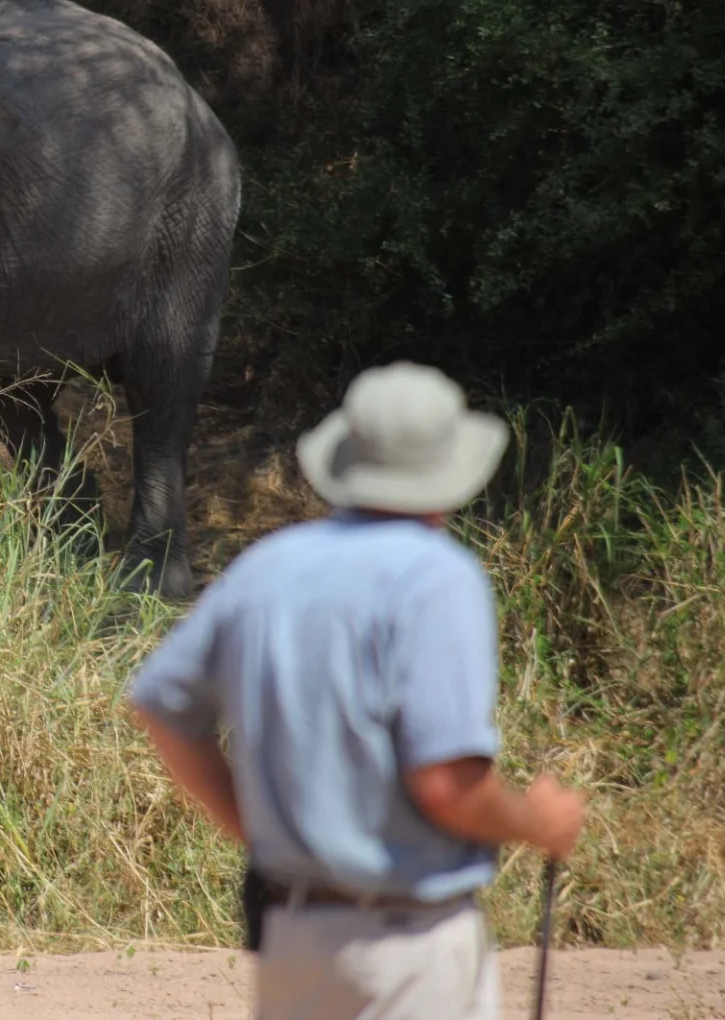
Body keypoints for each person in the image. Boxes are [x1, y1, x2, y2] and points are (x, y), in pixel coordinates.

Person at [126, 361, 587, 1020]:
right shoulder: (439, 578)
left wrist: (254, 826)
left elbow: (162, 704)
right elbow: (445, 786)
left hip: (293, 939)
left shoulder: (268, 567)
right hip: (410, 946)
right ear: (448, 473)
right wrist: (536, 821)